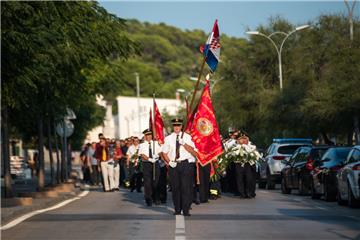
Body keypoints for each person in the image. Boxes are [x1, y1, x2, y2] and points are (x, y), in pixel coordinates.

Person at [162, 118, 197, 216]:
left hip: (185, 164)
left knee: (186, 188)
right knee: (175, 188)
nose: (177, 127)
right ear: (173, 126)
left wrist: (184, 144)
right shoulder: (168, 138)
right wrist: (169, 162)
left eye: (178, 125)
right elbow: (164, 153)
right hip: (174, 165)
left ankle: (186, 210)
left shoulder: (188, 137)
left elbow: (194, 152)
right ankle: (177, 209)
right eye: (175, 125)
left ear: (181, 126)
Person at [139, 129, 162, 206]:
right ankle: (148, 199)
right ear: (145, 136)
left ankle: (156, 198)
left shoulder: (156, 143)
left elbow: (160, 151)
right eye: (147, 135)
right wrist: (149, 159)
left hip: (155, 163)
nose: (149, 137)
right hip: (147, 164)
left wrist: (157, 155)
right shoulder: (142, 145)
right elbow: (142, 155)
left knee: (156, 182)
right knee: (147, 183)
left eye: (150, 135)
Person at [234, 131, 257, 198]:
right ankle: (242, 193)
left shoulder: (251, 145)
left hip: (248, 164)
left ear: (248, 139)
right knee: (239, 179)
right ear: (238, 139)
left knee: (249, 178)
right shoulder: (235, 145)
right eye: (241, 138)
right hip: (238, 163)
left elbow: (255, 154)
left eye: (245, 138)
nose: (243, 140)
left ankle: (249, 192)